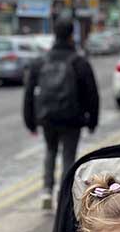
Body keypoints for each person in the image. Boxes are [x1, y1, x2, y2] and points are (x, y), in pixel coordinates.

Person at [23, 18, 100, 210]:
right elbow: (92, 93)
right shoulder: (79, 62)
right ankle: (63, 194)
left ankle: (47, 190)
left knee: (50, 151)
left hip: (47, 116)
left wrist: (30, 120)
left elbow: (29, 94)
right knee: (68, 155)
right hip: (72, 117)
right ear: (71, 35)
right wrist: (92, 120)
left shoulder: (40, 62)